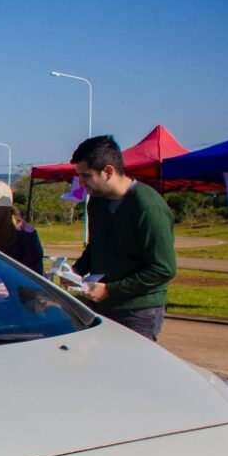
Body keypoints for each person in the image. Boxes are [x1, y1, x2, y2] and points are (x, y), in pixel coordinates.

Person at [70, 135, 176, 341]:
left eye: (86, 176)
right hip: (102, 305)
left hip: (138, 311)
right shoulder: (97, 203)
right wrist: (74, 271)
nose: (81, 183)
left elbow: (163, 268)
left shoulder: (148, 207)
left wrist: (110, 290)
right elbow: (97, 247)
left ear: (108, 171)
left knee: (132, 369)